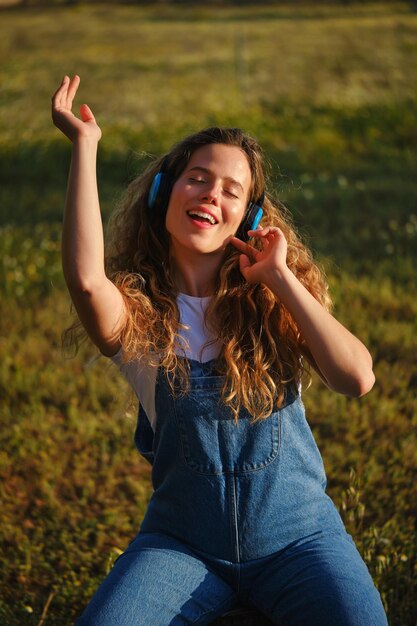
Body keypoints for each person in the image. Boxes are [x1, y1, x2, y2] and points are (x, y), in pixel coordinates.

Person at [52, 75, 388, 626]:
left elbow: (357, 378)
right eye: (197, 179)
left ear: (250, 218)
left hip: (301, 540)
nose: (212, 193)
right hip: (181, 546)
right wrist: (84, 147)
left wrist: (280, 279)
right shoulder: (138, 321)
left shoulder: (273, 305)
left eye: (232, 191)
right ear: (163, 193)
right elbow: (87, 281)